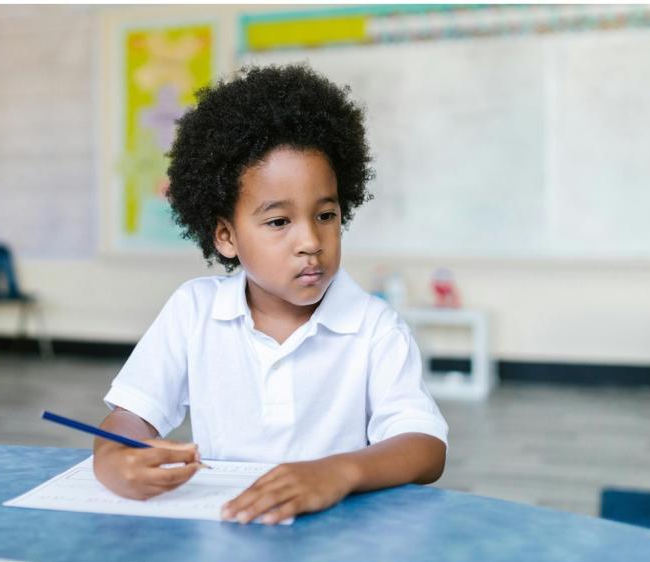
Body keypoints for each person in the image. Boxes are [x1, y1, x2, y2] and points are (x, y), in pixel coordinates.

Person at [93, 63, 448, 525]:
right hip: (229, 532)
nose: (310, 241)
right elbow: (129, 418)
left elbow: (425, 448)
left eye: (325, 215)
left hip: (339, 539)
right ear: (225, 236)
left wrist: (337, 473)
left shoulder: (374, 326)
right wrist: (114, 460)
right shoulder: (194, 311)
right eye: (279, 222)